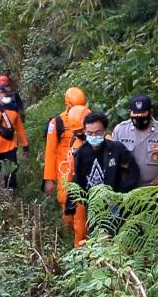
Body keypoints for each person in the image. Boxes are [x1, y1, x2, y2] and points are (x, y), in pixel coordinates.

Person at [65, 112, 139, 233]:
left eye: (97, 133)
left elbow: (133, 170)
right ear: (85, 132)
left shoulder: (116, 149)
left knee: (118, 235)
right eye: (90, 133)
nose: (94, 136)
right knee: (98, 237)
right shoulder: (81, 153)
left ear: (104, 131)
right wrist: (70, 205)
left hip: (116, 201)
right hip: (94, 205)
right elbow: (77, 179)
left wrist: (125, 193)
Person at [112, 95, 158, 187]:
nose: (139, 119)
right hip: (127, 188)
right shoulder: (120, 130)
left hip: (154, 188)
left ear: (151, 112)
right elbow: (111, 157)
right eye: (136, 116)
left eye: (143, 115)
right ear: (129, 113)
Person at [55, 105, 90, 247]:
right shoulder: (74, 142)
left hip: (99, 190)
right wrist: (68, 195)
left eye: (82, 131)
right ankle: (80, 258)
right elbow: (70, 170)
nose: (80, 134)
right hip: (79, 190)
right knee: (79, 227)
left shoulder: (106, 141)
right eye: (76, 132)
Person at [43, 87, 86, 195]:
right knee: (67, 202)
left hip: (85, 168)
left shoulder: (87, 118)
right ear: (67, 105)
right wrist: (49, 179)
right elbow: (50, 151)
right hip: (65, 171)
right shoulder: (57, 123)